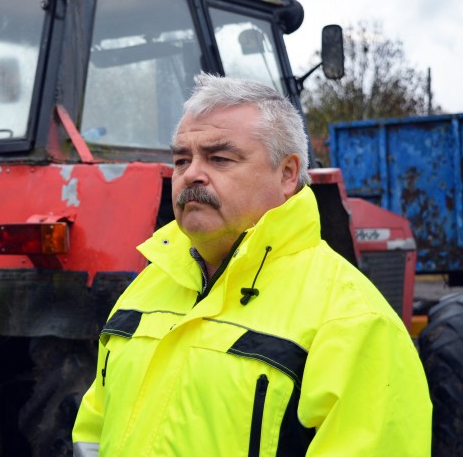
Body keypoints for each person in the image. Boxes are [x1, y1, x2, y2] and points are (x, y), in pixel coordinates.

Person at [72, 74, 432, 456]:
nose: (191, 172)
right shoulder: (144, 290)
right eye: (181, 159)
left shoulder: (354, 321)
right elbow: (94, 432)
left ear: (288, 174)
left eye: (219, 158)